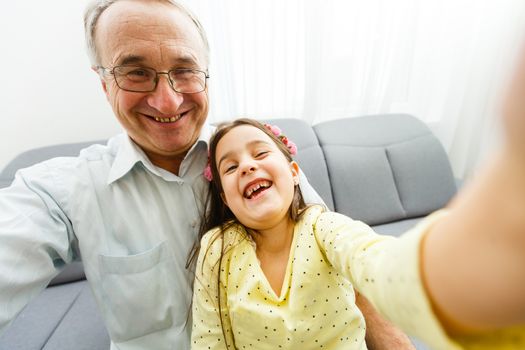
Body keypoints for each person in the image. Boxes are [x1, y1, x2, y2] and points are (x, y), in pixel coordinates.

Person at [0, 0, 414, 349]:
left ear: (206, 72)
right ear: (104, 82)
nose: (167, 99)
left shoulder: (259, 158)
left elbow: (341, 263)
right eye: (136, 72)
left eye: (185, 69)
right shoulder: (64, 190)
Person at [191, 113, 525, 348]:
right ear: (225, 198)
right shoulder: (217, 249)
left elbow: (377, 261)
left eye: (260, 153)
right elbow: (210, 340)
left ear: (294, 173)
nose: (247, 166)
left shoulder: (324, 227)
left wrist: (448, 274)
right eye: (231, 167)